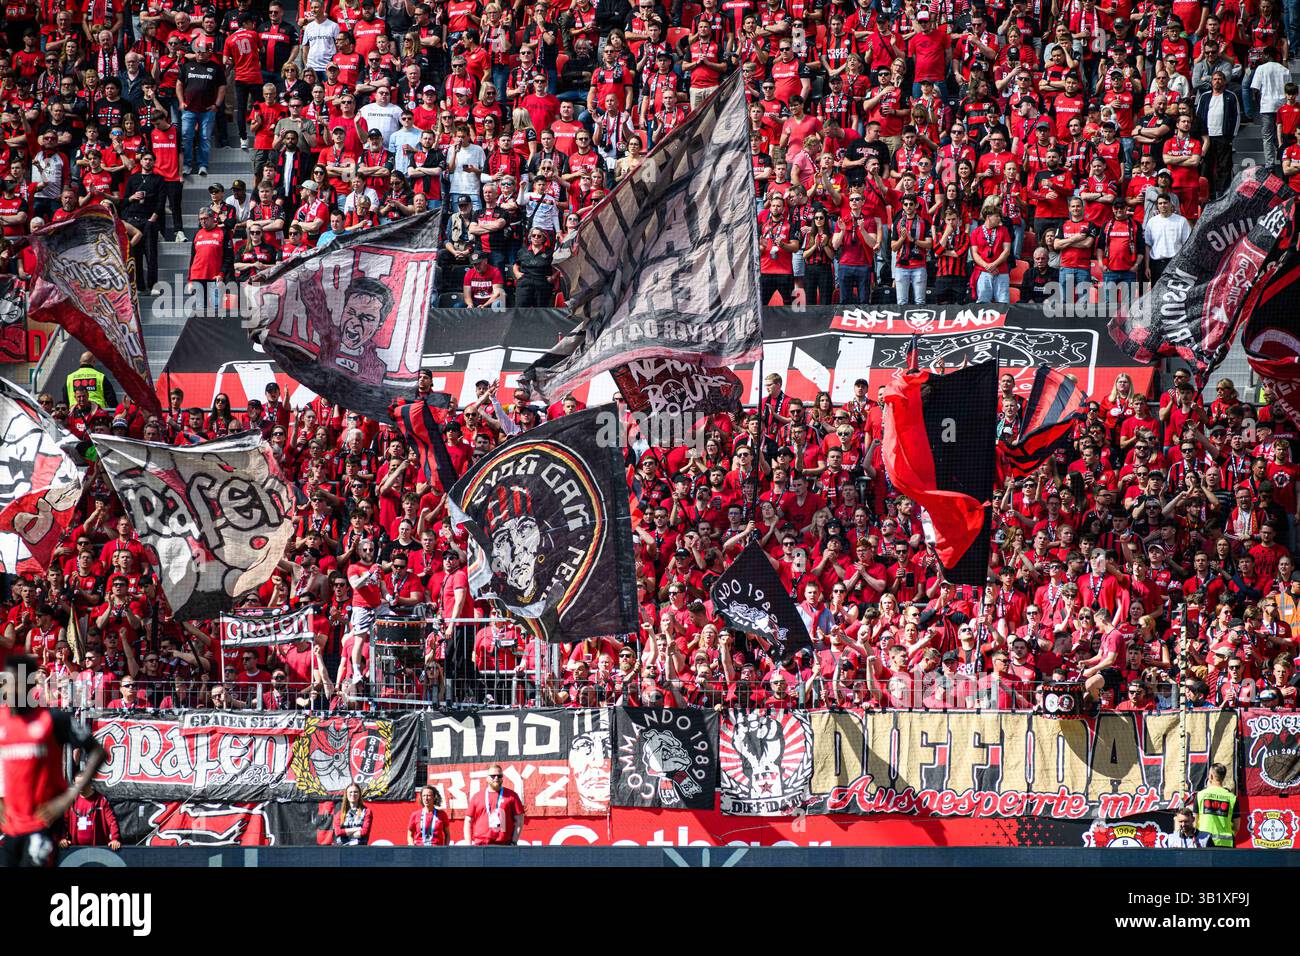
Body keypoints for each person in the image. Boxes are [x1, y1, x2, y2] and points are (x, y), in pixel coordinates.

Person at [1, 655, 107, 868]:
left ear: (30, 684)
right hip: (11, 824)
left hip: (44, 822)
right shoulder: (2, 720)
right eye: (6, 682)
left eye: (16, 683)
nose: (10, 690)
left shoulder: (53, 719)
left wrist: (68, 797)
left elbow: (98, 752)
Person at [464, 763, 525, 845]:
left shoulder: (512, 796)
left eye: (499, 776)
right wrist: (468, 845)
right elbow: (468, 821)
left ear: (502, 778)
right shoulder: (477, 796)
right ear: (487, 778)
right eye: (493, 776)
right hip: (481, 845)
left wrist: (514, 842)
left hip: (504, 845)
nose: (496, 778)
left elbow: (519, 820)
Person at [58, 784, 121, 851]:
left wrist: (115, 839)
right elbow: (64, 822)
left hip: (99, 850)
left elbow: (112, 821)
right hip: (75, 851)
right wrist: (62, 838)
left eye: (83, 783)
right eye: (77, 784)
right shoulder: (71, 801)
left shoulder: (101, 800)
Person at [1144, 195, 1191, 282]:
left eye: (1165, 203)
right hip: (1156, 264)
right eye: (1160, 203)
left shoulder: (1181, 221)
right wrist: (1147, 267)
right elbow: (1147, 246)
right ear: (1157, 206)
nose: (1163, 205)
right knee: (1156, 293)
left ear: (1170, 204)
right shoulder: (1152, 222)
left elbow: (1187, 245)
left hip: (1175, 263)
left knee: (1174, 293)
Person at [1193, 762, 1239, 847]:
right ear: (1223, 777)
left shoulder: (1200, 795)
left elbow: (1194, 822)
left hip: (1204, 841)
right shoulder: (1232, 798)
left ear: (1210, 776)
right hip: (1226, 844)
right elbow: (1237, 827)